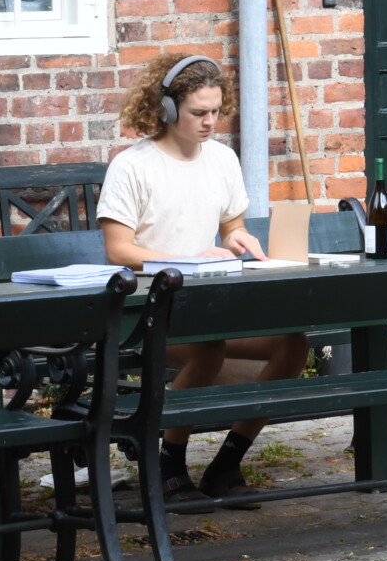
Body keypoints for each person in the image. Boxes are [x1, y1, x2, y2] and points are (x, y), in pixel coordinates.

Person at [100, 52, 310, 502]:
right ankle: (170, 464)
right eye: (199, 112)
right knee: (208, 347)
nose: (211, 121)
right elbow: (118, 250)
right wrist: (188, 258)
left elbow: (232, 226)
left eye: (216, 111)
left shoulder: (222, 159)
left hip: (203, 307)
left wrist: (240, 241)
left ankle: (228, 462)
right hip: (147, 314)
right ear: (169, 109)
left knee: (292, 343)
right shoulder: (133, 166)